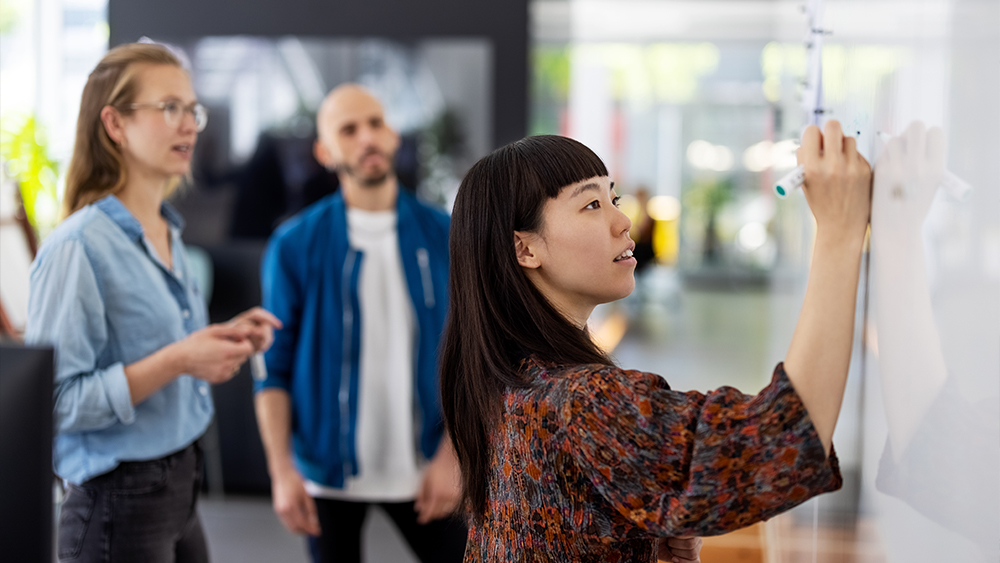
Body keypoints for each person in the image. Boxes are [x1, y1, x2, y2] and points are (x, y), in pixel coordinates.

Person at [440, 125, 871, 562]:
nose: (623, 221)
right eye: (591, 204)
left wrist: (623, 526)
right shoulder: (582, 401)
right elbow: (783, 438)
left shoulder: (505, 379)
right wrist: (839, 233)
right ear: (525, 249)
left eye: (614, 199)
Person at [25, 43, 280, 563]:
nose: (189, 124)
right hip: (117, 496)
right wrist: (181, 359)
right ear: (115, 124)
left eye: (193, 110)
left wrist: (220, 339)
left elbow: (161, 347)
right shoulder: (78, 247)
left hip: (179, 483)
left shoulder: (166, 229)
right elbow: (53, 403)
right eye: (170, 108)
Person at [255, 84, 466, 563]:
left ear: (392, 135)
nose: (367, 137)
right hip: (326, 473)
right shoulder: (293, 246)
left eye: (375, 123)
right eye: (348, 130)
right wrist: (281, 471)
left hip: (430, 463)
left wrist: (455, 456)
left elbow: (476, 357)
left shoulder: (446, 234)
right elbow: (273, 367)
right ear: (325, 152)